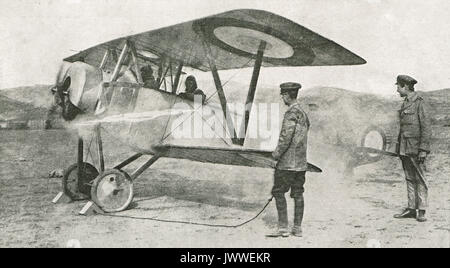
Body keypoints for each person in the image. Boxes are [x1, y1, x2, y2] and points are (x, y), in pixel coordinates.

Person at [268, 82, 310, 237]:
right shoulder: (303, 113)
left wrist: (276, 154)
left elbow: (285, 138)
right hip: (301, 164)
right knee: (298, 194)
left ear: (287, 95)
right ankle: (297, 228)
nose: (282, 98)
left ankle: (283, 228)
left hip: (287, 164)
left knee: (278, 192)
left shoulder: (291, 113)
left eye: (283, 95)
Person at [393, 75, 431, 222]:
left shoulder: (419, 103)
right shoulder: (406, 103)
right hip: (404, 148)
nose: (397, 90)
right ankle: (411, 209)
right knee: (409, 179)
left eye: (398, 86)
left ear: (405, 87)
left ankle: (421, 210)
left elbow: (426, 128)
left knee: (420, 179)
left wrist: (423, 149)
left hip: (415, 149)